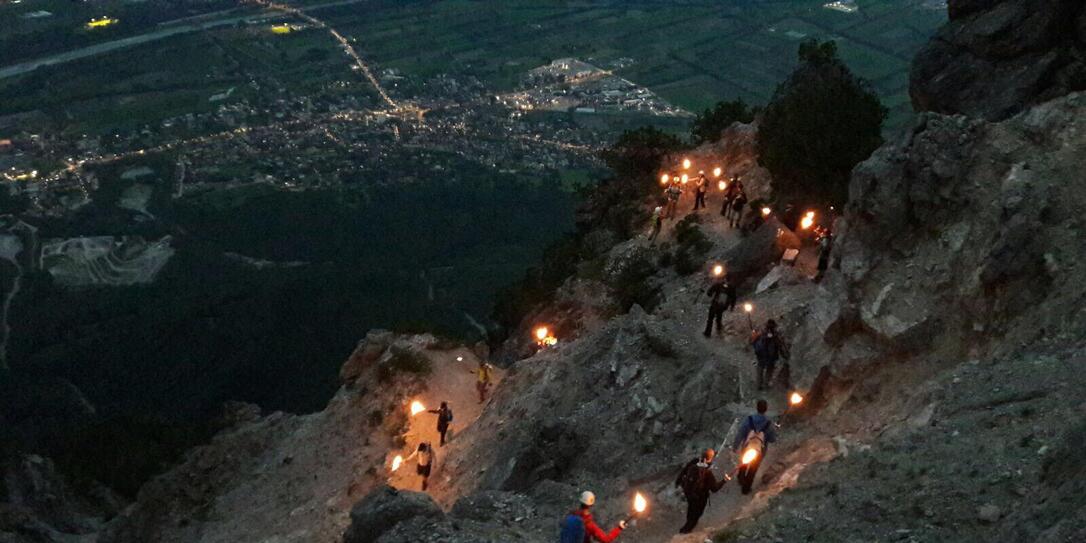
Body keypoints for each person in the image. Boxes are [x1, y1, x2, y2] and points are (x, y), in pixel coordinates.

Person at [674, 448, 730, 533]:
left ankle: (685, 527)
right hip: (701, 498)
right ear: (710, 458)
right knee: (696, 515)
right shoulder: (708, 473)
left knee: (690, 511)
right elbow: (714, 489)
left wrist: (678, 482)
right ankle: (686, 531)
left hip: (689, 495)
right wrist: (724, 480)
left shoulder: (693, 464)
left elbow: (684, 471)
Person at [732, 400, 777, 495]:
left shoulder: (749, 419)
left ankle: (741, 477)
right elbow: (772, 439)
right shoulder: (769, 424)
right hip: (759, 451)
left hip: (747, 447)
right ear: (766, 409)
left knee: (743, 463)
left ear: (757, 408)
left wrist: (735, 446)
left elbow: (740, 433)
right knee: (753, 469)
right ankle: (746, 488)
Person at [559, 491, 626, 543]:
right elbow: (606, 539)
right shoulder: (589, 524)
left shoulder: (570, 516)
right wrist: (619, 528)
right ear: (592, 504)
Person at [750, 319, 787, 390]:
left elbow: (780, 345)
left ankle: (764, 385)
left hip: (769, 357)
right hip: (763, 356)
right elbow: (754, 341)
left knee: (766, 372)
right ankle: (760, 385)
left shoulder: (775, 336)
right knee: (762, 371)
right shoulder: (762, 334)